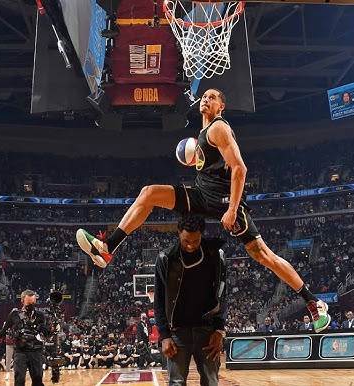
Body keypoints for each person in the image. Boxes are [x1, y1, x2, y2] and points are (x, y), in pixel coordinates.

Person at [77, 88, 331, 331]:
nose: (206, 99)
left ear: (221, 106)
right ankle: (108, 247)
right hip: (200, 195)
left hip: (222, 201)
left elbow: (240, 169)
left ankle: (313, 302)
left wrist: (232, 209)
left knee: (264, 255)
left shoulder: (219, 127)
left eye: (212, 97)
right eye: (204, 96)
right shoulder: (203, 132)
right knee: (149, 193)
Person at [154, 214, 227, 386]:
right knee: (177, 382)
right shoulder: (165, 259)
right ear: (179, 232)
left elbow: (223, 294)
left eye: (195, 241)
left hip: (208, 331)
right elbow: (159, 301)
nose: (191, 246)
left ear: (202, 234)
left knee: (211, 381)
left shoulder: (216, 255)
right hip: (178, 332)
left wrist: (219, 330)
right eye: (186, 241)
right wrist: (164, 335)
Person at [0, 290, 54, 386]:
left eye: (33, 303)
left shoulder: (40, 315)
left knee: (37, 380)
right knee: (19, 379)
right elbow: (3, 332)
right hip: (21, 351)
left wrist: (53, 329)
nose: (32, 305)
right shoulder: (15, 314)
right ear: (22, 301)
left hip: (36, 351)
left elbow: (45, 333)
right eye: (29, 303)